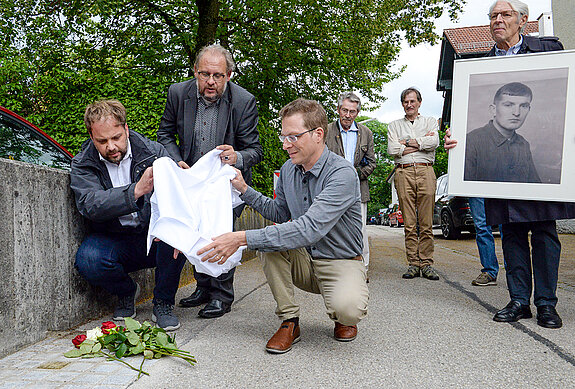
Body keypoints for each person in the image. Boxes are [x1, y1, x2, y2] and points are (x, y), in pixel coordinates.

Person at [196, 98, 369, 354]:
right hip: (305, 258)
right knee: (269, 244)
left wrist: (239, 237)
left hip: (340, 261)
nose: (286, 145)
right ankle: (289, 322)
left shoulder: (342, 173)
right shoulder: (289, 169)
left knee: (348, 309)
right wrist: (244, 189)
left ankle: (342, 316)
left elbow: (309, 228)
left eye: (293, 137)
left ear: (318, 134)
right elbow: (279, 212)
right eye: (283, 137)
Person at [445, 0, 575, 328]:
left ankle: (546, 303)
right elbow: (460, 119)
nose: (497, 20)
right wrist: (453, 139)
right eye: (493, 16)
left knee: (545, 233)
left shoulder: (548, 50)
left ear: (523, 20)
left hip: (532, 173)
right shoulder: (480, 66)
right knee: (512, 234)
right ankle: (519, 300)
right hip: (498, 174)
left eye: (505, 15)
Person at [157, 44, 262, 318]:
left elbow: (255, 150)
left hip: (226, 186)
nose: (210, 82)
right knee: (194, 233)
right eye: (204, 75)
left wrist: (236, 155)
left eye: (217, 75)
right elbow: (165, 134)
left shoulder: (244, 101)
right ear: (195, 71)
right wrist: (176, 159)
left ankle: (222, 296)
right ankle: (203, 288)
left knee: (222, 234)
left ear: (228, 75)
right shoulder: (177, 93)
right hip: (190, 180)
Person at [71, 100, 186, 331]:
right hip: (113, 237)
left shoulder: (153, 152)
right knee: (88, 260)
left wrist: (183, 183)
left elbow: (178, 197)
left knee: (179, 238)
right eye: (102, 141)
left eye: (116, 137)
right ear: (91, 137)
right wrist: (136, 191)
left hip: (153, 234)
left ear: (126, 128)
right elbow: (90, 204)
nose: (111, 146)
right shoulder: (83, 163)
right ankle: (126, 292)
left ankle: (163, 303)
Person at [387, 88, 440, 280]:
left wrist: (406, 143)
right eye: (405, 102)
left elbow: (434, 142)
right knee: (409, 223)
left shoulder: (430, 121)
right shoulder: (393, 125)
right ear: (402, 104)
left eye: (412, 101)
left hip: (426, 170)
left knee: (425, 222)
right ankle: (413, 264)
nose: (409, 105)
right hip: (403, 173)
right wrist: (420, 143)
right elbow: (392, 149)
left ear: (419, 102)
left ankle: (426, 264)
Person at [326, 92, 376, 275]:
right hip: (330, 188)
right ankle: (333, 269)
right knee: (330, 228)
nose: (348, 115)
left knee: (359, 230)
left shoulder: (366, 133)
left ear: (357, 113)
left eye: (352, 111)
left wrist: (355, 174)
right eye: (345, 110)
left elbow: (372, 163)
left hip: (358, 189)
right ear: (338, 109)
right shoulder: (326, 130)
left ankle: (362, 270)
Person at [465, 82, 540, 183]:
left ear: (529, 109)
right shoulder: (471, 141)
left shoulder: (523, 144)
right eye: (508, 105)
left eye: (523, 106)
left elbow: (534, 186)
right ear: (493, 110)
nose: (517, 113)